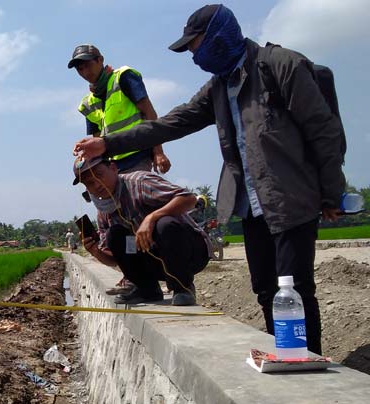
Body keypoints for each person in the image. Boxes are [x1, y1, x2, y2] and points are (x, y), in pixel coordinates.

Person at [73, 4, 345, 354]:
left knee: (294, 286)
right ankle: (287, 354)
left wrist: (331, 193)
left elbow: (323, 132)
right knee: (265, 287)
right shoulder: (218, 87)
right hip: (250, 201)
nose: (195, 56)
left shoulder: (281, 66)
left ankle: (307, 359)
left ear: (220, 35)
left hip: (289, 193)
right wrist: (108, 142)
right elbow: (171, 123)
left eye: (196, 45)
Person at [73, 155, 210, 306]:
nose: (97, 184)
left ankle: (183, 288)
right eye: (90, 183)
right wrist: (95, 251)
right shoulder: (104, 211)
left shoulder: (139, 182)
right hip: (155, 260)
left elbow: (189, 199)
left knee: (164, 224)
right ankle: (147, 290)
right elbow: (114, 259)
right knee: (115, 234)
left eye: (99, 175)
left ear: (113, 168)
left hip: (190, 253)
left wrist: (151, 218)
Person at [68, 43, 171, 175]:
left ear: (100, 60)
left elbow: (149, 112)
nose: (85, 72)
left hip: (138, 154)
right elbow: (97, 139)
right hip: (112, 166)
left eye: (88, 65)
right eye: (80, 69)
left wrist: (158, 152)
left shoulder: (123, 77)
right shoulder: (88, 104)